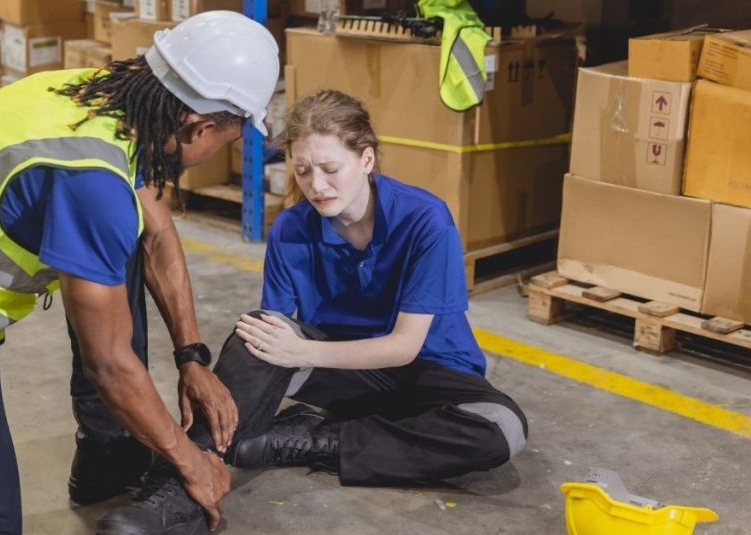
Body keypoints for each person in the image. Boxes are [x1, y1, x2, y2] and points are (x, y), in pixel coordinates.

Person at [0, 11, 279, 534]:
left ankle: (109, 457)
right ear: (198, 125)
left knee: (115, 239)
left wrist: (191, 357)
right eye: (232, 138)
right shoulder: (91, 182)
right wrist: (190, 462)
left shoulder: (95, 95)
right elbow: (110, 366)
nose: (227, 149)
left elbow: (155, 234)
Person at [99, 89, 527, 531]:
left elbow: (403, 347)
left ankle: (312, 439)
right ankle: (178, 487)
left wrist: (302, 354)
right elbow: (273, 339)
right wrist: (271, 352)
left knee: (502, 430)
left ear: (366, 159)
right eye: (302, 171)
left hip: (430, 374)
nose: (317, 186)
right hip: (345, 375)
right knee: (257, 337)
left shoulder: (425, 221)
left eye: (330, 169)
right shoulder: (291, 228)